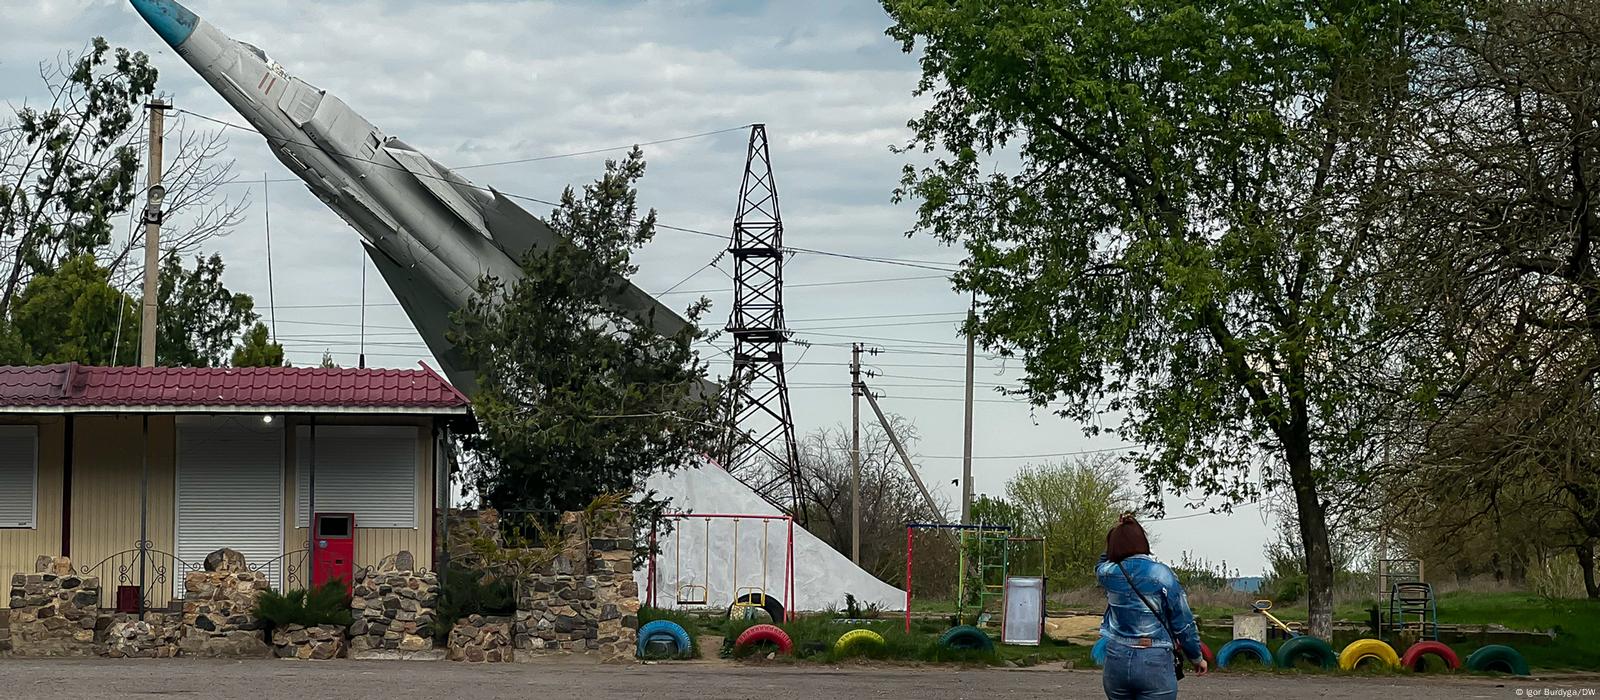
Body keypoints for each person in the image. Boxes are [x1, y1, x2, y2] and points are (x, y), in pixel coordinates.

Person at [1097, 513, 1206, 700]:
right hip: (1154, 659)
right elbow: (1183, 623)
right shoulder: (1162, 574)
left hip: (1116, 658)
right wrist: (1196, 657)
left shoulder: (1108, 573)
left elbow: (1101, 562)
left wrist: (1115, 538)